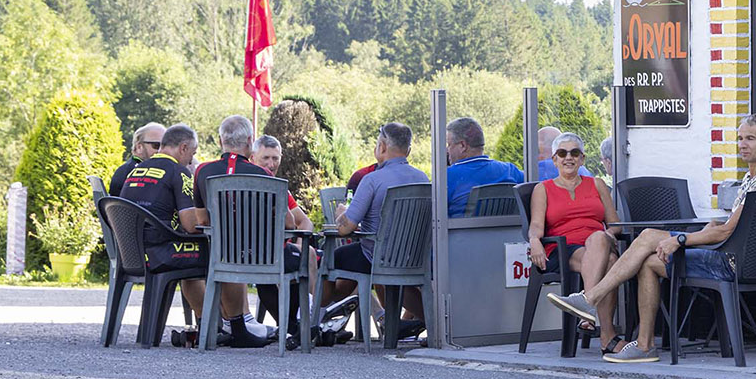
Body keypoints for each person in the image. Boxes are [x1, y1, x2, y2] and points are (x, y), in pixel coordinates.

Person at [550, 114, 756, 363]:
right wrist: (705, 231)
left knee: (649, 237)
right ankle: (644, 345)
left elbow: (727, 233)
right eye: (739, 138)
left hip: (732, 262)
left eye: (750, 138)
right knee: (649, 261)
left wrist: (680, 240)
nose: (742, 144)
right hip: (740, 257)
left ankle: (591, 298)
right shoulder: (755, 178)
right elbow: (730, 228)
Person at [119, 123, 270, 347]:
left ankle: (209, 326)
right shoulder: (178, 172)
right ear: (183, 147)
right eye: (192, 153)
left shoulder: (136, 170)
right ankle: (235, 327)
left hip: (132, 254)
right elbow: (190, 225)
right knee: (224, 252)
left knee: (204, 254)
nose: (191, 160)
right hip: (160, 254)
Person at [185, 115, 303, 345]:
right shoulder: (264, 175)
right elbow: (290, 224)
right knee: (304, 258)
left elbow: (201, 219)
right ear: (250, 141)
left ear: (221, 141)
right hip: (263, 259)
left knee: (230, 249)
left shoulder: (202, 172)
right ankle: (301, 328)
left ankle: (236, 326)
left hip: (222, 257)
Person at [328, 122, 430, 335]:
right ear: (408, 150)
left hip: (376, 255)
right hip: (412, 257)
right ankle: (430, 321)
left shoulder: (372, 180)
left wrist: (340, 215)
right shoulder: (422, 178)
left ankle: (314, 317)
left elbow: (347, 228)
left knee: (330, 260)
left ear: (382, 147)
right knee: (388, 271)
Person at [527, 132, 621, 348]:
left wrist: (609, 234)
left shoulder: (596, 184)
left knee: (599, 238)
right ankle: (607, 334)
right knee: (611, 263)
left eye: (574, 153)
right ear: (554, 159)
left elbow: (615, 224)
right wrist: (534, 242)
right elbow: (536, 226)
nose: (568, 158)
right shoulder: (543, 189)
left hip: (598, 243)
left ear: (582, 159)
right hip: (562, 247)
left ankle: (586, 308)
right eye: (562, 153)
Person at [443, 116, 523, 217]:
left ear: (463, 145)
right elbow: (533, 187)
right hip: (506, 232)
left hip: (462, 232)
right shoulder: (510, 171)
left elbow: (433, 217)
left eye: (449, 145)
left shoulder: (447, 177)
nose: (447, 150)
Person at [109, 122, 165, 194]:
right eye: (157, 145)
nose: (161, 151)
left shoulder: (126, 168)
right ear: (139, 147)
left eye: (165, 146)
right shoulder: (139, 173)